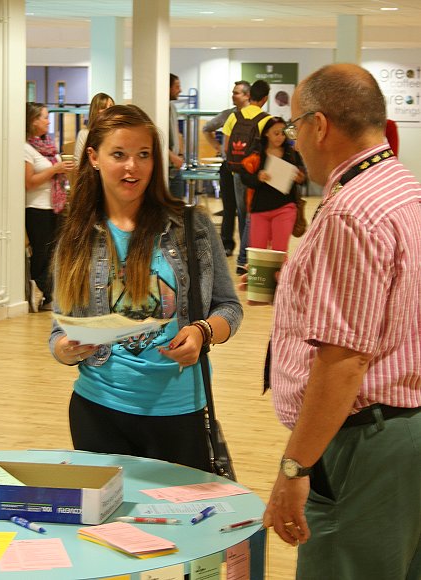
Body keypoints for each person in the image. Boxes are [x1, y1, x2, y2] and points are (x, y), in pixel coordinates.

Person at [262, 64, 421, 579]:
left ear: (320, 125)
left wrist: (295, 468)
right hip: (406, 432)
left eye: (294, 125)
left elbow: (344, 362)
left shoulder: (351, 212)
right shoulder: (403, 189)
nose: (293, 140)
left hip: (364, 443)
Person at [49, 104, 243, 471]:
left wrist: (203, 332)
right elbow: (59, 334)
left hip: (180, 408)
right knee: (111, 527)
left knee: (186, 522)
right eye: (118, 155)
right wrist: (67, 348)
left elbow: (229, 307)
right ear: (93, 157)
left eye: (143, 155)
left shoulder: (191, 226)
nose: (132, 167)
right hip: (97, 409)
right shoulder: (75, 236)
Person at [25, 102, 75, 312]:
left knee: (53, 253)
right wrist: (56, 169)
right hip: (37, 208)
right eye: (44, 117)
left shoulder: (47, 146)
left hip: (54, 207)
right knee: (42, 253)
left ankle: (48, 296)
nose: (48, 121)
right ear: (32, 120)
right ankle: (40, 289)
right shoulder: (26, 148)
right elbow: (29, 182)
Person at [222, 80, 271, 274]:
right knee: (253, 216)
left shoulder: (234, 116)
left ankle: (245, 254)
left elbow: (227, 148)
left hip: (236, 172)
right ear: (265, 98)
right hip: (255, 175)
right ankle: (247, 258)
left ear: (249, 95)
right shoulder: (266, 119)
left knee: (242, 214)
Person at [240, 116, 306, 252]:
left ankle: (280, 274)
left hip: (285, 208)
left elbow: (303, 177)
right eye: (276, 133)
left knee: (279, 252)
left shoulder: (291, 153)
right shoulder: (256, 154)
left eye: (283, 133)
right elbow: (245, 178)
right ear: (266, 133)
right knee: (257, 253)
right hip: (260, 209)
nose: (280, 137)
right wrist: (258, 177)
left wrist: (300, 178)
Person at [202, 81, 251, 257]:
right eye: (233, 92)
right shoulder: (227, 115)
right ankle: (227, 243)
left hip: (248, 168)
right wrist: (218, 147)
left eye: (237, 92)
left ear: (247, 95)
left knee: (245, 208)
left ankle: (247, 247)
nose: (233, 95)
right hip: (228, 165)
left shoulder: (254, 116)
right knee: (229, 206)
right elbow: (206, 128)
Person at [73, 92, 114, 164]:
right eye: (103, 107)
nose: (108, 110)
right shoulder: (84, 134)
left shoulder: (116, 133)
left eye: (111, 107)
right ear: (95, 111)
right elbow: (78, 163)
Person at [169, 73, 185, 199]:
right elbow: (157, 138)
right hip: (165, 168)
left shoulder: (173, 108)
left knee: (178, 209)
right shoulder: (159, 109)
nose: (180, 90)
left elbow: (177, 133)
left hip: (175, 169)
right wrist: (173, 157)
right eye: (177, 86)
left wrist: (180, 155)